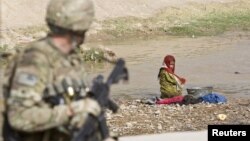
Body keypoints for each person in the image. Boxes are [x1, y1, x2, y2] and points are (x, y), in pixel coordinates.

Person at [2, 0, 114, 141]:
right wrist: (70, 111)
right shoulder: (35, 60)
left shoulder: (70, 57)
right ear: (83, 24)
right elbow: (19, 117)